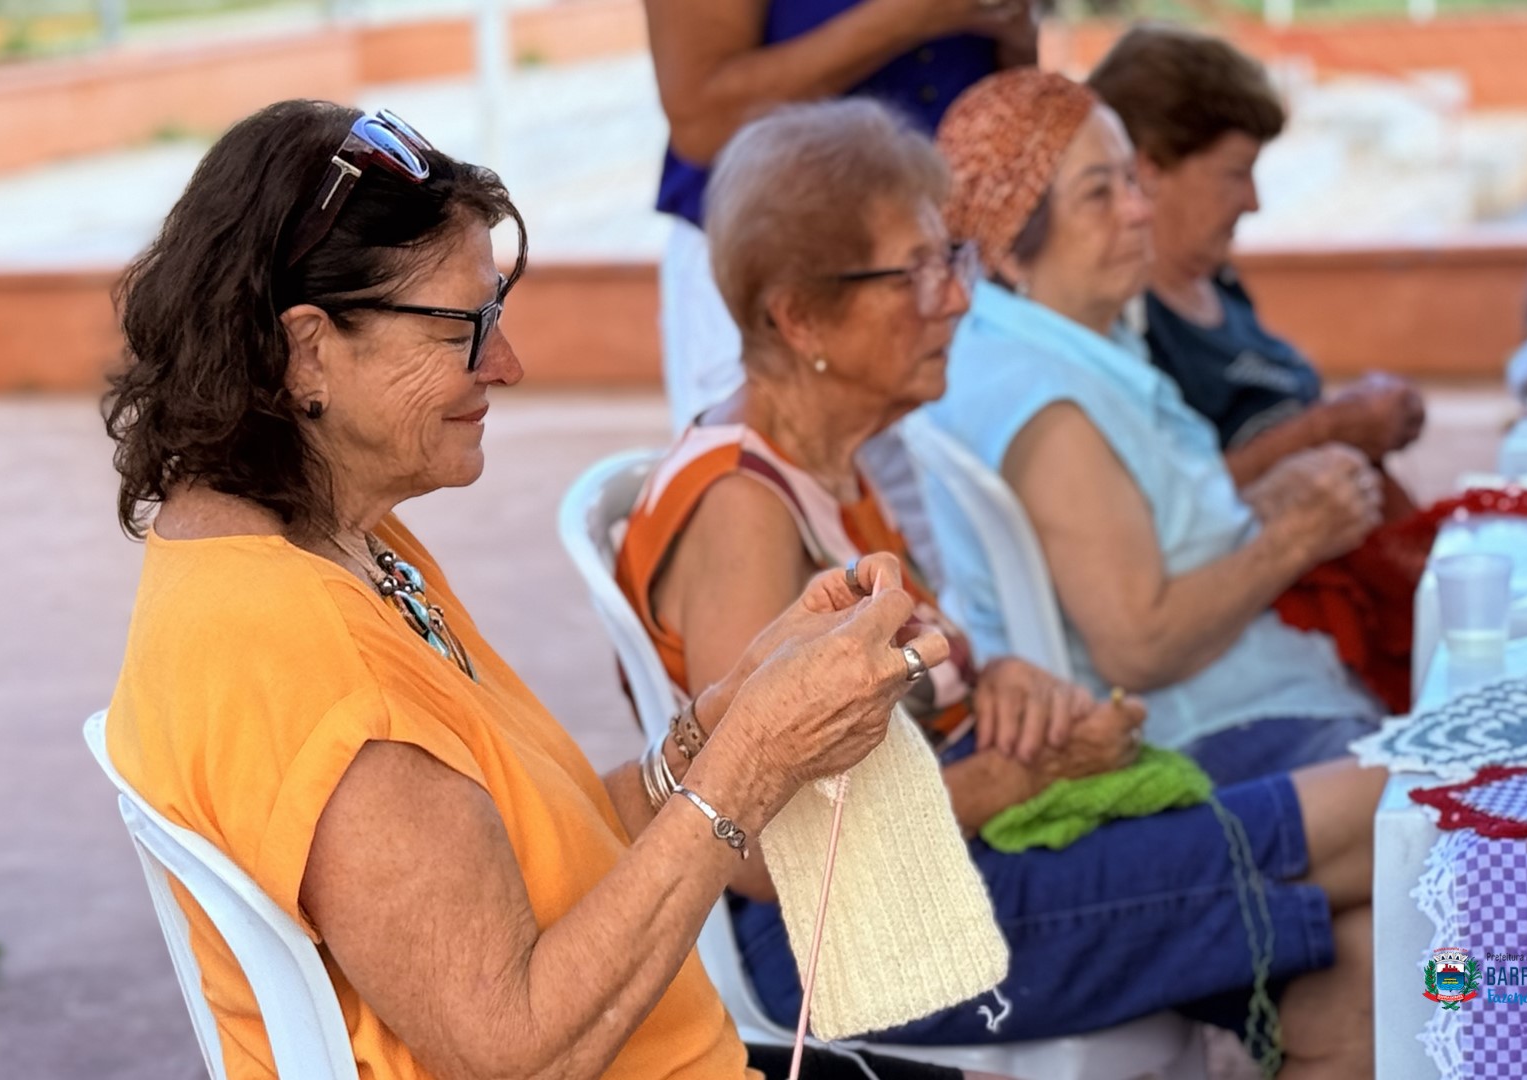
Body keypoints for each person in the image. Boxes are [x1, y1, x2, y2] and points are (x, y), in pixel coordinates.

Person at [101, 98, 989, 1080]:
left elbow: (532, 844)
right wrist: (751, 766)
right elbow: (516, 1050)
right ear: (309, 349)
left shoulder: (323, 546)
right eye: (462, 329)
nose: (508, 364)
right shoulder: (315, 663)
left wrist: (721, 725)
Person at [616, 98, 1381, 1077]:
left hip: (957, 860)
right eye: (916, 274)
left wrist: (1000, 678)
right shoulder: (744, 507)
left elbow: (903, 700)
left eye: (954, 260)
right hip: (857, 931)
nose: (958, 300)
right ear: (799, 315)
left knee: (1346, 978)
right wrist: (1021, 777)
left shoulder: (829, 465)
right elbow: (765, 848)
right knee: (1395, 809)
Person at [926, 69, 1387, 786]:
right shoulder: (1043, 400)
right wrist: (1298, 536)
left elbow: (1150, 536)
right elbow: (1139, 643)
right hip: (1195, 737)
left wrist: (1266, 503)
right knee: (1451, 822)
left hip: (1234, 709)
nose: (1138, 212)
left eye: (1130, 183)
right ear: (1013, 251)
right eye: (1098, 195)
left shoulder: (1054, 341)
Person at [643, 0, 1038, 429]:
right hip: (780, 271)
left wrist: (1012, 27)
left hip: (953, 268)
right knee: (774, 478)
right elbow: (700, 119)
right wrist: (908, 18)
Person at [1085, 24, 1426, 489]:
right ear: (1150, 168)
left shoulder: (1220, 284)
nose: (1254, 201)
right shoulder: (1122, 327)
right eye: (1235, 173)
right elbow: (1171, 515)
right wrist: (1323, 431)